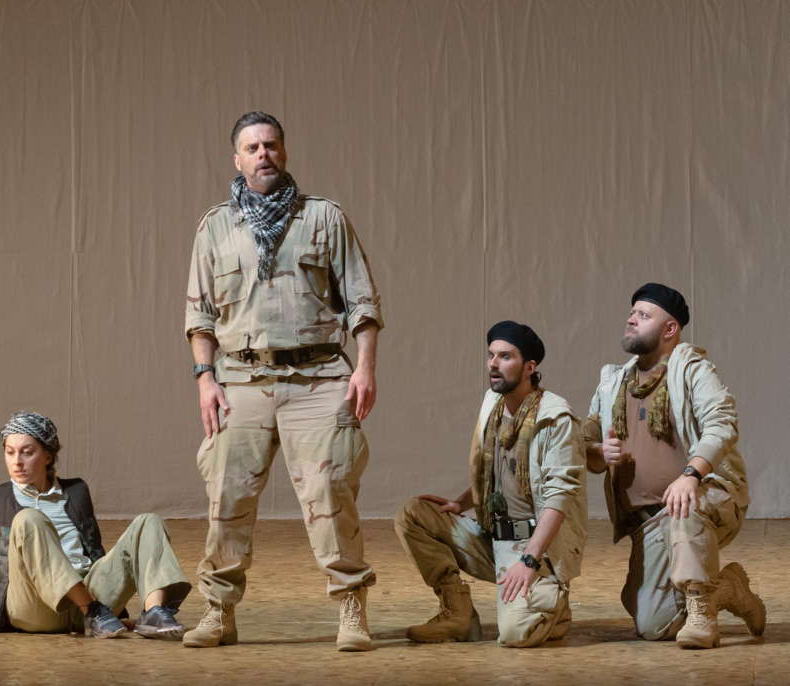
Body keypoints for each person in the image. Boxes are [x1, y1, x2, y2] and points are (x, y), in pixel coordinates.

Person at [183, 111, 383, 651]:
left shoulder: (323, 219)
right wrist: (206, 380)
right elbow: (199, 316)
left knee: (329, 491)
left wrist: (364, 366)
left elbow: (362, 301)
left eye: (270, 145)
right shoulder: (216, 227)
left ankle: (350, 607)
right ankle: (218, 611)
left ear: (285, 151)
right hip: (241, 378)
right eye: (252, 147)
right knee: (226, 495)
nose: (263, 154)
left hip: (317, 376)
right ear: (237, 159)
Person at [583, 283, 765, 648]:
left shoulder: (692, 369)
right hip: (647, 522)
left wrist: (691, 475)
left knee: (683, 502)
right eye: (632, 313)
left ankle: (701, 608)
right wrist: (600, 452)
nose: (631, 319)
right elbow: (587, 444)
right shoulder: (613, 382)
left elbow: (722, 421)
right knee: (650, 622)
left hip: (705, 499)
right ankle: (729, 589)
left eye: (643, 315)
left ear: (670, 329)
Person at [394, 321, 587, 647]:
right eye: (491, 355)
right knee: (413, 513)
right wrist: (461, 504)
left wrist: (529, 561)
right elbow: (497, 474)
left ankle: (553, 605)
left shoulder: (555, 418)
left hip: (533, 549)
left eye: (505, 356)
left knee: (515, 635)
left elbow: (558, 500)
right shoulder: (493, 404)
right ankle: (457, 613)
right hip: (492, 535)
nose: (494, 364)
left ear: (530, 367)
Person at [0, 411, 192, 639]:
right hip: (35, 606)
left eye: (27, 452)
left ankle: (153, 613)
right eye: (10, 453)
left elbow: (93, 549)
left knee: (149, 521)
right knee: (29, 518)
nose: (17, 461)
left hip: (88, 589)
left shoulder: (76, 491)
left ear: (48, 456)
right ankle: (93, 611)